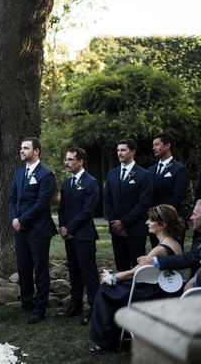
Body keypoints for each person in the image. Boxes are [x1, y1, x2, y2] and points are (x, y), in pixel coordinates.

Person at [89, 204, 184, 353]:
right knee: (114, 287)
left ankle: (105, 342)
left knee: (105, 290)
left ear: (163, 225)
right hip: (166, 290)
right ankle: (122, 333)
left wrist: (110, 277)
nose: (146, 222)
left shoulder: (160, 249)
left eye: (151, 220)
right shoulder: (175, 243)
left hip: (155, 294)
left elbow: (133, 273)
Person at [8, 137, 57, 324]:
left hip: (38, 230)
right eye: (21, 147)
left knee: (40, 269)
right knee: (24, 268)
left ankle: (40, 308)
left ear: (36, 151)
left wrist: (22, 220)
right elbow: (12, 198)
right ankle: (26, 302)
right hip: (20, 230)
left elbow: (42, 203)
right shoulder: (19, 174)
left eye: (25, 148)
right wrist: (14, 219)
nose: (21, 150)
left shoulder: (46, 175)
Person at [56, 147, 99, 326]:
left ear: (80, 161)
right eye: (66, 159)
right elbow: (62, 209)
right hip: (69, 236)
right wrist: (62, 227)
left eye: (71, 160)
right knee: (74, 273)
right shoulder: (66, 184)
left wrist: (70, 228)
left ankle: (95, 309)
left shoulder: (91, 182)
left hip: (84, 235)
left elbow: (87, 210)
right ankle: (75, 306)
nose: (67, 163)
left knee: (89, 274)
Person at [103, 138, 152, 272]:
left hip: (135, 229)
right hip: (116, 230)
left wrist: (123, 222)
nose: (120, 153)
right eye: (118, 150)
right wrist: (115, 224)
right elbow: (107, 200)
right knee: (120, 266)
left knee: (138, 268)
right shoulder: (112, 174)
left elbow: (143, 203)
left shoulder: (144, 175)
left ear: (133, 152)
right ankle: (122, 293)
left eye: (123, 150)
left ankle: (138, 293)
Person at [138, 200, 201, 288]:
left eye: (195, 214)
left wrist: (115, 276)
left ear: (163, 225)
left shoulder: (161, 249)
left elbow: (135, 273)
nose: (191, 218)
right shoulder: (175, 241)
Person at [147, 133, 189, 248]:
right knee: (157, 258)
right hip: (155, 222)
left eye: (157, 144)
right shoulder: (150, 171)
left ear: (167, 146)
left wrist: (160, 214)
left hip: (172, 221)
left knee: (172, 257)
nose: (154, 148)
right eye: (153, 145)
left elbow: (177, 196)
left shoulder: (180, 169)